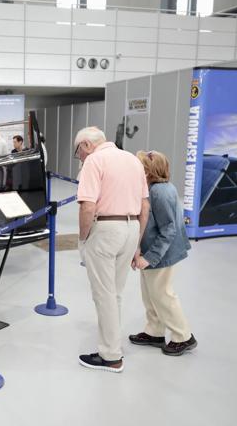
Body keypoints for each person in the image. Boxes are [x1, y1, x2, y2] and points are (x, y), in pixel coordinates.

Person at [75, 126, 149, 373]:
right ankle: (112, 344)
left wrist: (83, 239)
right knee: (115, 293)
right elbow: (145, 205)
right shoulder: (132, 160)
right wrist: (137, 241)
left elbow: (87, 207)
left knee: (103, 294)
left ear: (86, 145)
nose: (80, 158)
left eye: (78, 153)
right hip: (131, 228)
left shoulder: (94, 161)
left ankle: (110, 356)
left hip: (105, 230)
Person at [130, 150, 197, 356]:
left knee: (163, 295)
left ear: (149, 171)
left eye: (140, 167)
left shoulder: (160, 192)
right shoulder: (154, 189)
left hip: (161, 254)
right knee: (150, 295)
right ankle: (154, 332)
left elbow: (169, 230)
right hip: (153, 251)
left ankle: (183, 337)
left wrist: (148, 258)